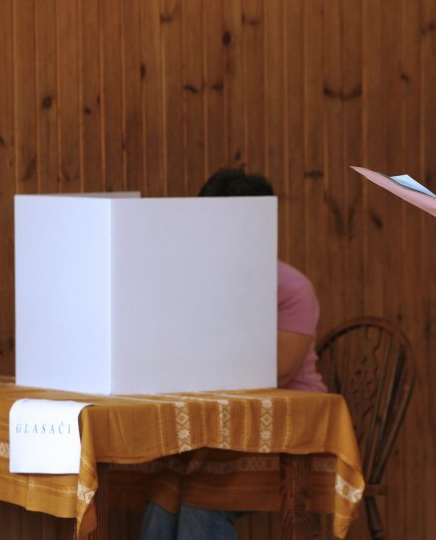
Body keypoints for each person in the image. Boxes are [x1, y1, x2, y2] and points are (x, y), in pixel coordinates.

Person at [140, 168, 327, 539]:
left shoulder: (290, 287)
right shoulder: (194, 282)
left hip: (292, 430)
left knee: (203, 500)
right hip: (219, 432)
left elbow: (279, 373)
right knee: (162, 494)